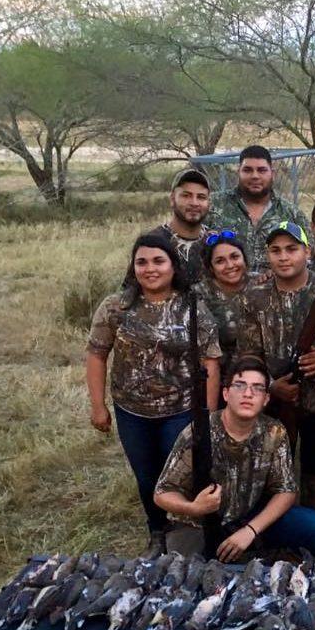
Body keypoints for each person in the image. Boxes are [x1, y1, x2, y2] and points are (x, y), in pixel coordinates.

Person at [86, 234, 222, 555]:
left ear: (173, 266)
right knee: (146, 477)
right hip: (131, 411)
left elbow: (211, 365)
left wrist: (210, 416)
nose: (150, 269)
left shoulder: (193, 308)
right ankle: (157, 531)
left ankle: (188, 533)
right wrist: (97, 406)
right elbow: (96, 354)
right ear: (133, 267)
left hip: (181, 410)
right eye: (141, 262)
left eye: (158, 261)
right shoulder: (116, 307)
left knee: (176, 475)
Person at [155, 356, 315, 560]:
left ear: (266, 399)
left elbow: (287, 491)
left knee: (314, 527)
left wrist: (250, 530)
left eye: (257, 388)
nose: (248, 394)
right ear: (226, 393)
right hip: (197, 523)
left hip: (247, 517)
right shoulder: (198, 434)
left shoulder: (274, 432)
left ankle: (271, 554)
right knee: (184, 575)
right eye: (240, 386)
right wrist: (193, 507)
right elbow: (162, 492)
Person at [235, 221, 315, 512]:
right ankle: (268, 521)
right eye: (275, 250)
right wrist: (271, 386)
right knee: (270, 463)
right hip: (273, 397)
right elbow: (249, 354)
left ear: (307, 252)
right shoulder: (254, 296)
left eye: (291, 249)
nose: (283, 257)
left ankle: (313, 520)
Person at [207, 145, 313, 272]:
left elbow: (308, 258)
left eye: (262, 170)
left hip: (275, 290)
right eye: (247, 170)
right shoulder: (212, 205)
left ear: (272, 174)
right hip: (223, 289)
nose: (255, 176)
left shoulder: (292, 214)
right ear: (238, 172)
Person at [198, 231, 257, 377]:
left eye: (235, 257)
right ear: (211, 268)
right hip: (217, 377)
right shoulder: (199, 294)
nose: (230, 265)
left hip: (261, 374)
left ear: (244, 259)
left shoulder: (262, 284)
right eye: (220, 261)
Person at [148, 168, 214, 283]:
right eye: (186, 195)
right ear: (172, 199)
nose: (194, 203)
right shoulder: (153, 242)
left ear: (209, 203)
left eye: (201, 197)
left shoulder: (215, 241)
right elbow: (131, 292)